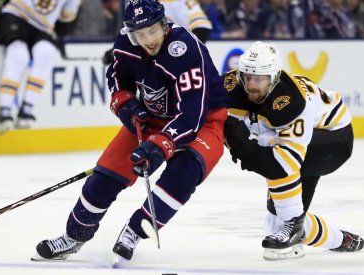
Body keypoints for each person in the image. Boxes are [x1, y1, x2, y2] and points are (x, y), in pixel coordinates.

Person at [32, 0, 228, 262]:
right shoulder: (127, 43)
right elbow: (115, 76)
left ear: (164, 25)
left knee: (184, 174)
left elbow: (192, 114)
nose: (146, 39)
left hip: (204, 121)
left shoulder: (185, 49)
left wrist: (161, 145)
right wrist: (125, 104)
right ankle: (75, 235)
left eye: (152, 31)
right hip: (152, 119)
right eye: (139, 33)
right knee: (104, 178)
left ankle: (134, 232)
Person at [223, 41, 364, 260]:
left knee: (275, 158)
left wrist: (247, 150)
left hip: (333, 139)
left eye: (259, 79)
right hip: (304, 141)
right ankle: (340, 239)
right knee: (274, 226)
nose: (251, 84)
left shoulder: (292, 102)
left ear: (274, 77)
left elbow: (285, 164)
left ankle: (295, 225)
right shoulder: (232, 84)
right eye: (247, 77)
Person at [0, 0, 80, 131]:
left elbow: (67, 16)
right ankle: (5, 109)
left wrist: (59, 38)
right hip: (16, 13)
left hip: (43, 27)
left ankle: (27, 109)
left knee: (46, 52)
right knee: (19, 55)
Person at [102, 0, 212, 65]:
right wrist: (116, 52)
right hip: (154, 63)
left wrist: (183, 51)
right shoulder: (143, 3)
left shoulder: (183, 2)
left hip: (180, 63)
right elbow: (137, 32)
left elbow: (202, 28)